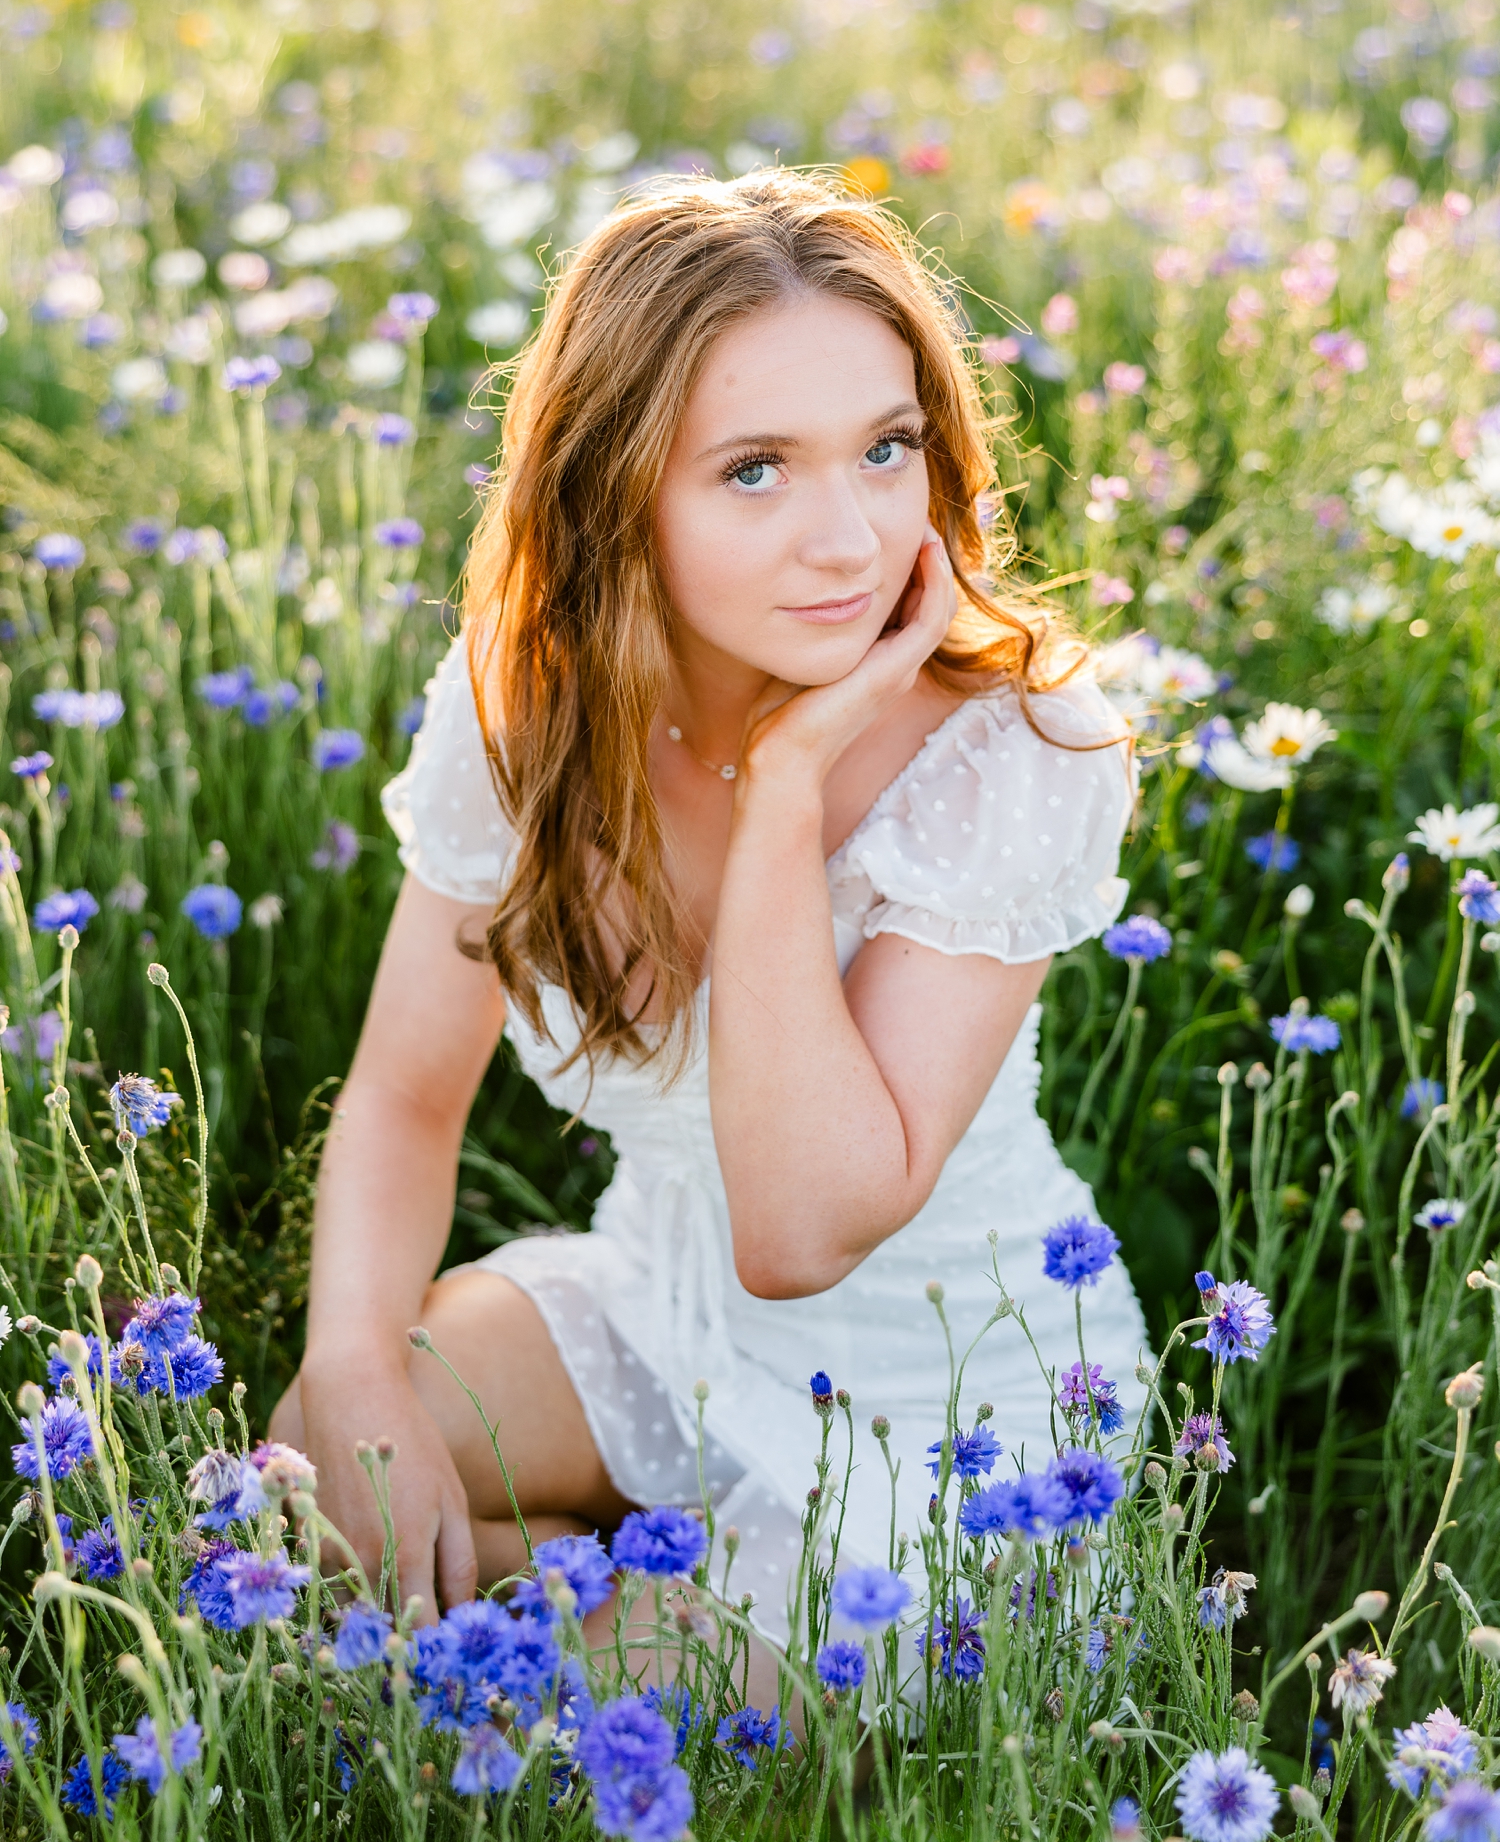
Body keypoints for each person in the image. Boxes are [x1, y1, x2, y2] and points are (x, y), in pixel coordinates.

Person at [271, 168, 1147, 1670]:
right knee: (314, 1463)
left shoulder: (1019, 743)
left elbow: (801, 1228)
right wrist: (352, 1361)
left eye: (887, 451)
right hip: (664, 1316)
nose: (853, 541)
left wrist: (788, 786)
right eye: (756, 469)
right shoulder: (523, 710)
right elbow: (409, 1097)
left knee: (534, 1720)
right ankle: (575, 1578)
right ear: (616, 492)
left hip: (957, 1423)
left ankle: (592, 1601)